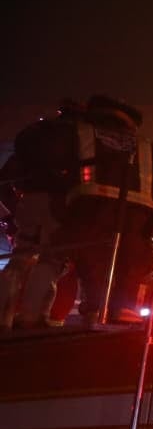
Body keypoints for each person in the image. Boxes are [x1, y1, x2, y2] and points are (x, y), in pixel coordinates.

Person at [56, 94, 153, 324]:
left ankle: (95, 308)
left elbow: (53, 170)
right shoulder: (146, 147)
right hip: (137, 217)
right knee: (132, 261)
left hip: (91, 209)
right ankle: (124, 308)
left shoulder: (80, 133)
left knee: (93, 259)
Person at [0, 98, 83, 328]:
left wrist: (10, 215)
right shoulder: (79, 140)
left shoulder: (34, 140)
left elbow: (5, 179)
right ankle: (32, 317)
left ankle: (2, 317)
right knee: (52, 260)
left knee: (18, 259)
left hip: (29, 202)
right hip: (60, 206)